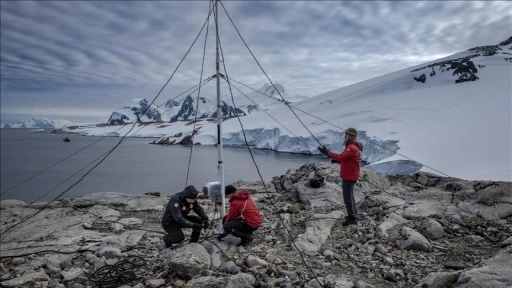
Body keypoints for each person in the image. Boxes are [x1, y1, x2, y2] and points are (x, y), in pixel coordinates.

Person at [318, 127, 363, 226]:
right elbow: (345, 158)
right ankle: (353, 213)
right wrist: (338, 160)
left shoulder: (351, 147)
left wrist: (327, 153)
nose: (345, 137)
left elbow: (341, 157)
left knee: (347, 196)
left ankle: (352, 218)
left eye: (346, 135)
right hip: (350, 174)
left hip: (349, 175)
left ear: (350, 136)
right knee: (350, 195)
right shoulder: (353, 147)